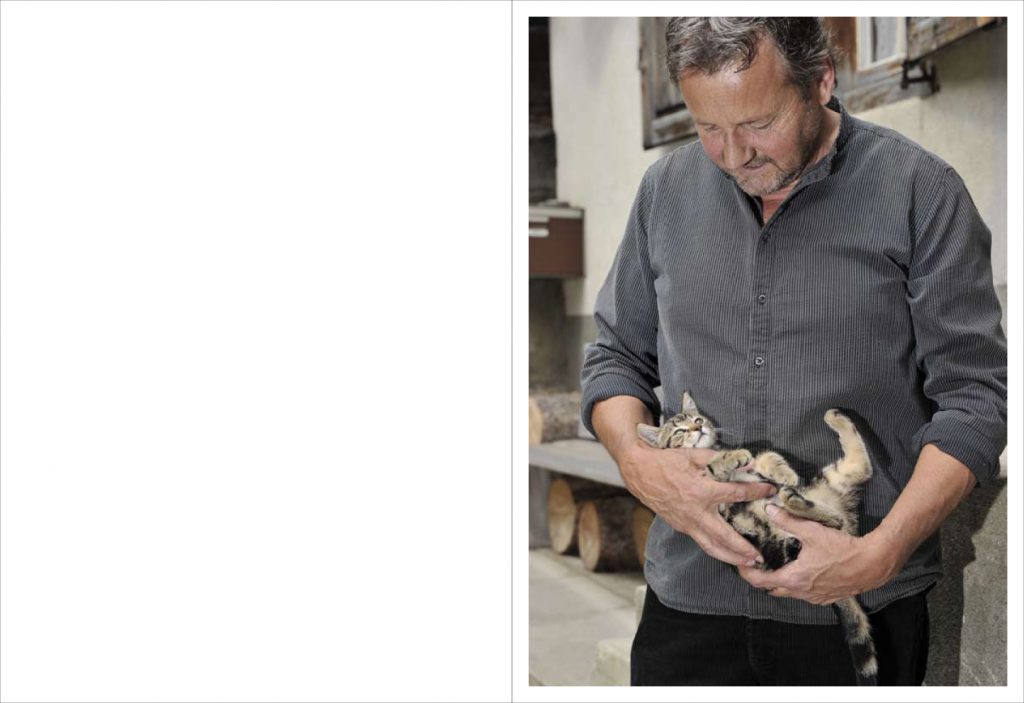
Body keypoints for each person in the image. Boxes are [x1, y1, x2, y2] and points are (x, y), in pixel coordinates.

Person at [580, 17, 1006, 686]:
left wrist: (880, 552)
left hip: (858, 605)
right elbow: (614, 359)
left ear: (822, 80)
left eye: (758, 123)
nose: (732, 154)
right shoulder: (665, 192)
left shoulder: (920, 192)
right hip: (688, 603)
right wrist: (639, 464)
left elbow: (975, 401)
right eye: (707, 127)